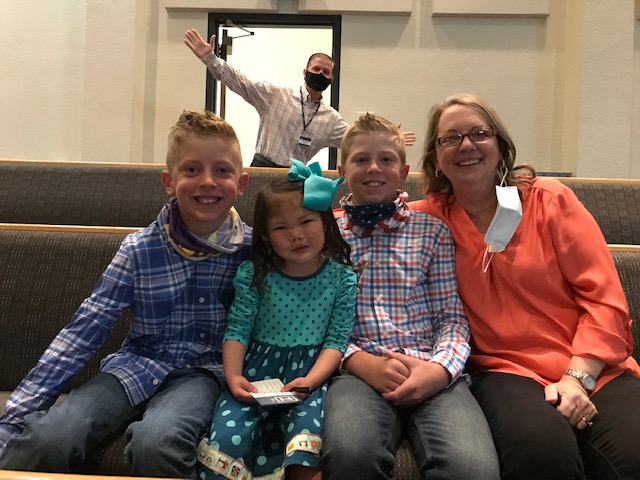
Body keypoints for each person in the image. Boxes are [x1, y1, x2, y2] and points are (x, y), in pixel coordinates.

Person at [0, 110, 252, 478]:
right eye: (192, 169)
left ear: (241, 184)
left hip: (204, 373)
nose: (208, 181)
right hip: (136, 365)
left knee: (157, 442)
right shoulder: (139, 249)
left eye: (222, 170)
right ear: (169, 181)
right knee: (51, 436)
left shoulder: (255, 251)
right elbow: (82, 333)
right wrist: (14, 417)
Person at [410, 93, 640, 480]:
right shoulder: (428, 219)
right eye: (450, 138)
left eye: (479, 133)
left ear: (500, 146)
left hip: (594, 367)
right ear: (435, 159)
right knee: (542, 456)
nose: (466, 145)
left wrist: (577, 379)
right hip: (506, 372)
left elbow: (604, 300)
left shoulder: (549, 201)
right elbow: (355, 216)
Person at [320, 113, 499, 480]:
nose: (374, 168)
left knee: (472, 468)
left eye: (386, 159)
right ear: (342, 171)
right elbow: (318, 321)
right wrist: (358, 362)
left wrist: (439, 370)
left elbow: (451, 317)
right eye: (361, 159)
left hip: (429, 365)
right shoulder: (327, 237)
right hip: (358, 370)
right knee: (351, 453)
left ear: (402, 172)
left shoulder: (432, 232)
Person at [196, 160, 357, 480]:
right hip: (254, 375)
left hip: (309, 379)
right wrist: (233, 377)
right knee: (228, 437)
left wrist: (311, 381)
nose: (296, 235)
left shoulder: (342, 278)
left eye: (306, 221)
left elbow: (336, 340)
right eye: (281, 228)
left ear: (325, 222)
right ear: (267, 236)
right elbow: (237, 330)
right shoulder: (254, 275)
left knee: (305, 447)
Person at [184, 29, 416, 168]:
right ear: (305, 72)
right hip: (262, 170)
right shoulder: (275, 95)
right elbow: (240, 82)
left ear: (331, 79)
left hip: (295, 179)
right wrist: (210, 59)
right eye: (316, 69)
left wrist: (389, 139)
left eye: (326, 72)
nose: (320, 74)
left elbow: (357, 138)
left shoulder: (331, 119)